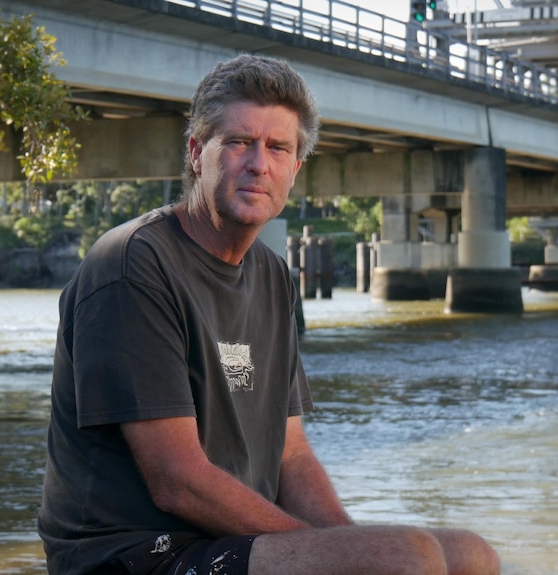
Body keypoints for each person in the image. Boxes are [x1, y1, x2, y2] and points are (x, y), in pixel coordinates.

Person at [38, 53, 500, 575]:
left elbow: (291, 457)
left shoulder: (273, 274)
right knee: (403, 559)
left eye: (278, 147)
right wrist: (336, 556)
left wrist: (340, 543)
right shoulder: (131, 265)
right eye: (238, 142)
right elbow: (175, 478)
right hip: (138, 554)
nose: (259, 163)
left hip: (225, 540)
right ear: (197, 152)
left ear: (295, 168)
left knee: (471, 554)